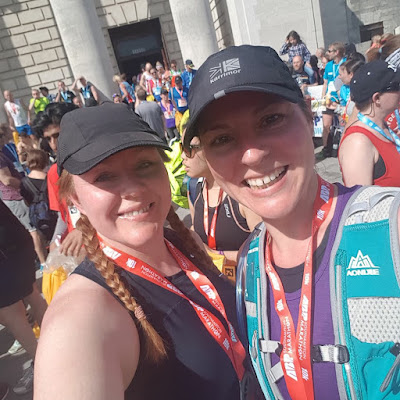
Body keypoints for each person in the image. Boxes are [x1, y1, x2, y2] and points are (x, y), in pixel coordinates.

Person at [183, 44, 400, 400]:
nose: (252, 154)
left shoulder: (390, 227)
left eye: (270, 120)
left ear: (307, 114)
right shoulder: (251, 264)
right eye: (222, 139)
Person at [34, 102, 245, 400]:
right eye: (104, 176)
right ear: (74, 199)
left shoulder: (182, 243)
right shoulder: (79, 319)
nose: (133, 189)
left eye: (144, 165)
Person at [181, 127, 261, 268]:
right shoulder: (193, 188)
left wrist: (215, 255)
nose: (182, 156)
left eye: (189, 149)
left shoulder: (243, 192)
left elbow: (263, 251)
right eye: (181, 147)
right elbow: (196, 228)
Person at [0, 199, 47, 395]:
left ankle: (45, 366)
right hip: (16, 242)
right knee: (31, 296)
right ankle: (57, 348)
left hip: (6, 252)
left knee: (11, 314)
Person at [31, 103, 84, 257]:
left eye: (57, 135)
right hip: (79, 250)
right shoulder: (54, 173)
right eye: (48, 139)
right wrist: (56, 239)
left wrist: (84, 228)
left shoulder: (101, 162)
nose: (53, 145)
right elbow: (63, 214)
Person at [339, 60, 400, 187]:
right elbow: (361, 198)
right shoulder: (357, 143)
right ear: (377, 98)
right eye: (396, 86)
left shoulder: (383, 127)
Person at [0, 124, 47, 265]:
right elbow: (6, 180)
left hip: (16, 196)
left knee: (35, 230)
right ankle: (44, 263)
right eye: (2, 136)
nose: (4, 139)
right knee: (34, 230)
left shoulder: (3, 153)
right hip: (15, 197)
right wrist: (27, 185)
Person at [320, 42, 346, 157]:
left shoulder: (345, 63)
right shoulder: (329, 65)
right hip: (329, 99)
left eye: (330, 51)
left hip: (341, 98)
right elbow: (325, 83)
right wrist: (323, 97)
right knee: (326, 125)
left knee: (343, 124)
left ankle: (344, 147)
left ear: (337, 52)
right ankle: (325, 148)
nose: (327, 53)